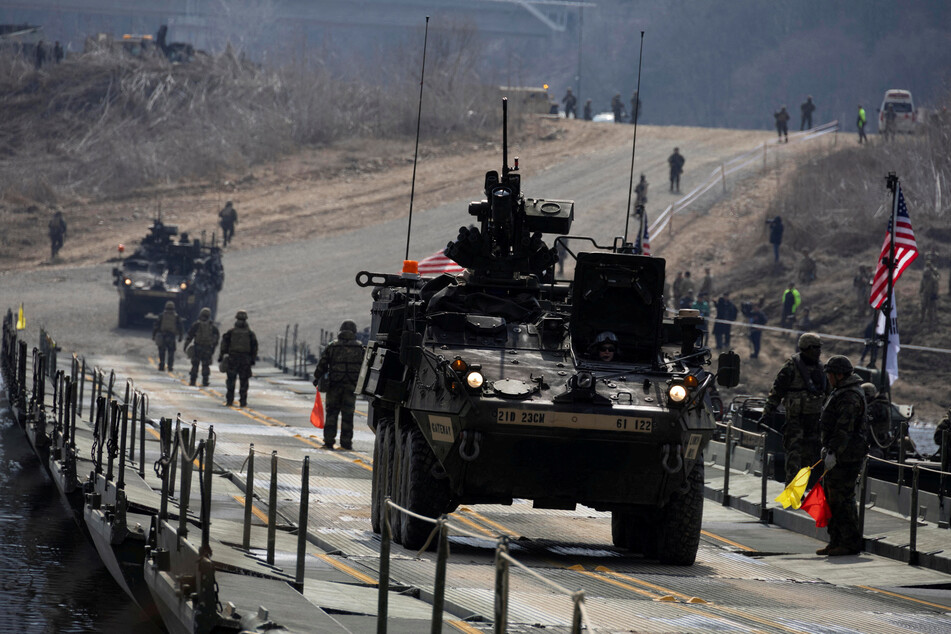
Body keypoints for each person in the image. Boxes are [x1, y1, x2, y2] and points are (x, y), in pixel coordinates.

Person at [760, 333, 827, 484]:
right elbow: (777, 391)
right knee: (794, 455)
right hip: (795, 421)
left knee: (808, 458)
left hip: (814, 422)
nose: (819, 352)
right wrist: (767, 412)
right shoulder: (791, 367)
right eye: (816, 348)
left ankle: (799, 488)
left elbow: (828, 395)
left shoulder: (822, 370)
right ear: (807, 348)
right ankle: (791, 490)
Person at [818, 355, 868, 557]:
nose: (828, 378)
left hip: (846, 457)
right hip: (839, 454)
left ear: (839, 375)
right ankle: (836, 541)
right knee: (832, 499)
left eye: (830, 374)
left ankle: (849, 543)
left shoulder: (850, 396)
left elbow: (843, 429)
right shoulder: (841, 391)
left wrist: (834, 452)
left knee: (842, 500)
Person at [313, 320, 365, 450]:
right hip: (351, 386)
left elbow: (323, 364)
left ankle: (329, 441)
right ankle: (346, 442)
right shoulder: (359, 348)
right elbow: (365, 367)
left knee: (331, 414)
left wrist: (316, 377)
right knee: (348, 415)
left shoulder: (333, 346)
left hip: (334, 386)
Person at [219, 310, 257, 407]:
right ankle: (243, 401)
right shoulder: (250, 333)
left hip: (233, 358)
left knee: (231, 380)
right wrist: (252, 359)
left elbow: (224, 345)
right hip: (245, 359)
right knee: (244, 382)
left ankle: (229, 400)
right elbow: (254, 347)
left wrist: (221, 356)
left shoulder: (231, 332)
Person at [183, 307, 219, 387]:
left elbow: (190, 336)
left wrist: (186, 346)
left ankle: (193, 380)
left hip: (197, 348)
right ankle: (205, 381)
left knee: (195, 365)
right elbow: (216, 339)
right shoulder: (213, 327)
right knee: (205, 366)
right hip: (207, 349)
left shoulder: (196, 325)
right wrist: (212, 349)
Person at [152, 301, 184, 372]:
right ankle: (170, 366)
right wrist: (180, 336)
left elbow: (156, 326)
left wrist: (154, 335)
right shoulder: (176, 316)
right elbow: (180, 327)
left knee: (162, 352)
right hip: (171, 337)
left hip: (163, 336)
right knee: (171, 352)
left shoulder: (162, 315)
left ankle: (161, 365)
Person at [863, 382, 892, 458]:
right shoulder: (879, 405)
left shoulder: (877, 406)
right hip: (876, 442)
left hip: (877, 443)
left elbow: (869, 418)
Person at [919, 256, 939, 324]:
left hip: (931, 294)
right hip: (925, 294)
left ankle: (931, 320)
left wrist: (934, 294)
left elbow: (936, 286)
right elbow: (922, 285)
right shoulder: (924, 277)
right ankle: (922, 319)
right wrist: (920, 291)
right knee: (923, 307)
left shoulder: (933, 277)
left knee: (931, 308)